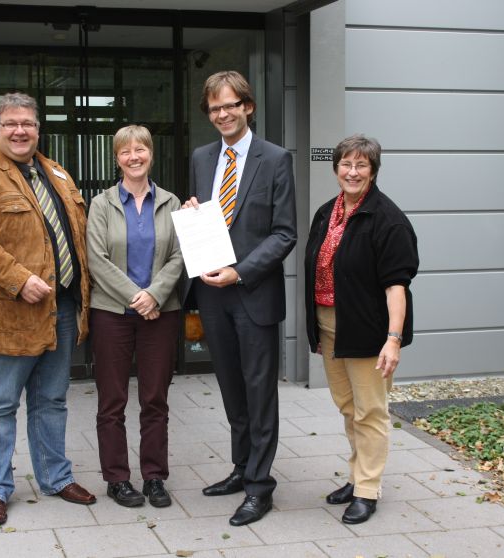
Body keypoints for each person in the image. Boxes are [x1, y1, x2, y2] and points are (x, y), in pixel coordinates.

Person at [0, 92, 96, 526]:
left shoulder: (57, 173)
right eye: (11, 123)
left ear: (38, 128)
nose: (20, 131)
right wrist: (18, 278)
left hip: (62, 309)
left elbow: (76, 233)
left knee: (51, 399)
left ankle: (55, 476)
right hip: (10, 315)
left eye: (28, 123)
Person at [183, 70, 296, 526]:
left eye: (231, 105)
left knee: (259, 392)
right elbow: (206, 216)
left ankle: (259, 486)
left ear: (247, 106)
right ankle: (241, 467)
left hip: (253, 292)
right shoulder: (201, 157)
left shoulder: (276, 159)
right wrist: (191, 213)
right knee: (231, 388)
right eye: (215, 108)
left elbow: (285, 233)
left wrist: (241, 271)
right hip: (212, 295)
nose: (223, 114)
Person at [304, 134, 418, 524]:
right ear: (336, 168)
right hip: (329, 325)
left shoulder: (387, 219)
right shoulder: (327, 212)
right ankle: (356, 477)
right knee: (349, 408)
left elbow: (396, 285)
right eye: (346, 164)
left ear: (373, 170)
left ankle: (367, 490)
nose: (352, 172)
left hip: (368, 330)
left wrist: (393, 339)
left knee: (370, 411)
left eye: (361, 165)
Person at [86, 125, 184, 508]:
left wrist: (154, 295)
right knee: (111, 401)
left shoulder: (173, 203)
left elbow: (179, 255)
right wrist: (136, 297)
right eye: (125, 151)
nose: (133, 157)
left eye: (140, 149)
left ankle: (155, 477)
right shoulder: (101, 204)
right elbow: (96, 260)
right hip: (112, 314)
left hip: (161, 314)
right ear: (117, 159)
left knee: (155, 399)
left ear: (151, 154)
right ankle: (117, 479)